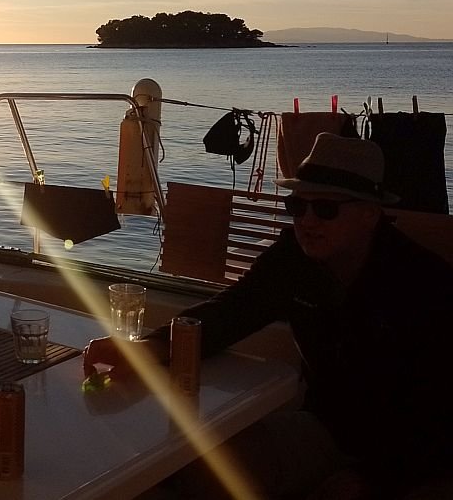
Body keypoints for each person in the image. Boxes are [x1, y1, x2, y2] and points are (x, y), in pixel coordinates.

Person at [83, 133, 453, 499]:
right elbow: (233, 310)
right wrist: (150, 347)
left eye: (325, 208)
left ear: (370, 214)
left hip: (417, 452)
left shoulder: (422, 286)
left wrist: (375, 478)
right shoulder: (294, 258)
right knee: (205, 469)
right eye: (298, 206)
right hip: (325, 429)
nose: (307, 221)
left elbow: (437, 413)